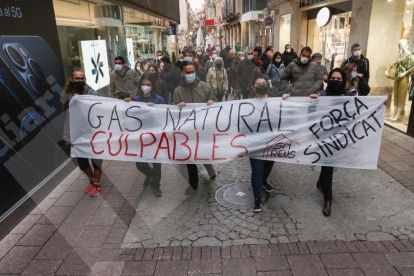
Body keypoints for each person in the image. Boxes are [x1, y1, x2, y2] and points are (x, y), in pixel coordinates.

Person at [173, 61, 217, 193]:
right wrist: (178, 106)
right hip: (187, 130)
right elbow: (173, 111)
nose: (191, 74)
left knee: (203, 152)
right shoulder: (178, 91)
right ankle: (193, 182)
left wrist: (212, 102)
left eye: (192, 72)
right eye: (188, 72)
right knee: (189, 155)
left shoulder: (204, 87)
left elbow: (216, 103)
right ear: (182, 73)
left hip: (203, 128)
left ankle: (209, 167)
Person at [63, 68, 102, 197]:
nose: (80, 80)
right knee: (82, 163)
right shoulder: (68, 96)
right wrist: (68, 137)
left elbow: (100, 111)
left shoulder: (92, 93)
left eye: (82, 78)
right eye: (77, 78)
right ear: (72, 79)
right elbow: (68, 118)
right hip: (78, 135)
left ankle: (96, 183)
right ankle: (91, 179)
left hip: (93, 133)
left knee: (96, 160)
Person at [124, 74, 164, 197]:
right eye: (144, 84)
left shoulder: (159, 100)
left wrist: (155, 109)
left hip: (155, 136)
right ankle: (150, 174)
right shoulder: (135, 100)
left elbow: (164, 117)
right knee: (140, 164)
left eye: (148, 85)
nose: (145, 87)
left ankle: (156, 185)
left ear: (153, 86)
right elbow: (130, 116)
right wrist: (127, 104)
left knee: (156, 162)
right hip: (140, 136)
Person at [247, 73, 276, 212]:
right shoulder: (247, 104)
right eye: (258, 85)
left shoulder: (276, 102)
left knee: (268, 167)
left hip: (272, 142)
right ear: (253, 87)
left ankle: (263, 182)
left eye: (263, 84)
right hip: (255, 143)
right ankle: (257, 199)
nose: (261, 86)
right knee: (257, 170)